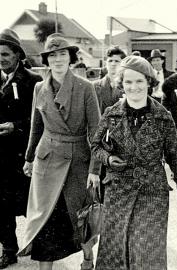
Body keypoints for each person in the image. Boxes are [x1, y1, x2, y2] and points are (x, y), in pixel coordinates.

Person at [91, 55, 177, 270]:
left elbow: (174, 154)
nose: (134, 87)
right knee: (115, 250)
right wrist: (107, 158)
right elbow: (95, 146)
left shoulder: (163, 116)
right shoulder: (111, 114)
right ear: (121, 84)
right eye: (128, 82)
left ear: (149, 82)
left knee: (147, 251)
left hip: (152, 192)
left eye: (139, 81)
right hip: (117, 191)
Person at [19, 33, 101, 270]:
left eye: (62, 54)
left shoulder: (86, 88)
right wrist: (28, 158)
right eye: (52, 55)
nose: (58, 60)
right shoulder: (39, 88)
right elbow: (36, 127)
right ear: (46, 60)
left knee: (80, 216)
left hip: (77, 161)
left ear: (71, 57)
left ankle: (87, 258)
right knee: (46, 218)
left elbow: (95, 131)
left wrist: (95, 169)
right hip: (47, 159)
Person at [0, 28, 42, 269]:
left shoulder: (33, 81)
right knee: (0, 206)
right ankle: (8, 249)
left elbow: (41, 120)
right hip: (0, 158)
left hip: (24, 155)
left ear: (17, 55)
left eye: (5, 54)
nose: (1, 59)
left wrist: (15, 126)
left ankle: (37, 243)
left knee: (30, 202)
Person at [93, 45, 126, 114]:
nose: (113, 64)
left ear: (123, 63)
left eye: (117, 61)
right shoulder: (94, 86)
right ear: (106, 63)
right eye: (110, 61)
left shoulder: (127, 86)